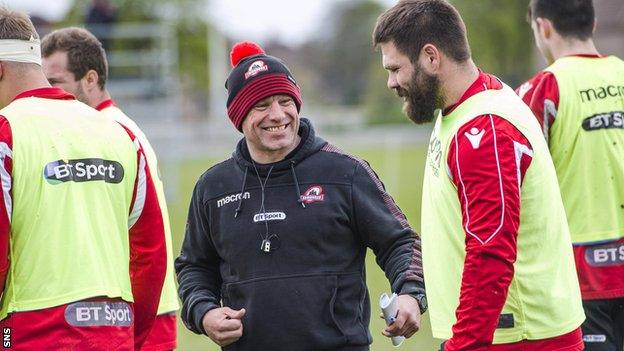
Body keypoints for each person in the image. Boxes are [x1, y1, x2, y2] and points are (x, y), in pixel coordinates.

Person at [175, 41, 425, 351]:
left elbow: (400, 242)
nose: (277, 114)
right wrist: (205, 312)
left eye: (284, 101)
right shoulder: (213, 187)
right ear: (239, 116)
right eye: (262, 105)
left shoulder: (345, 173)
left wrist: (410, 294)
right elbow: (194, 267)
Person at [373, 1, 586, 350]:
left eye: (396, 68)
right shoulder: (469, 107)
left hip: (517, 337)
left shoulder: (483, 131)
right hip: (500, 335)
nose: (391, 82)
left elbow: (490, 254)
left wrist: (464, 345)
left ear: (431, 57)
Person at [0, 8, 166, 351]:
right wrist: (127, 336)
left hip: (30, 333)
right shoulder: (119, 133)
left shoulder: (6, 133)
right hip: (115, 333)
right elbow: (150, 254)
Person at [40, 27, 180, 351]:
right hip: (124, 313)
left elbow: (144, 242)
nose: (45, 93)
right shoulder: (104, 130)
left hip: (142, 314)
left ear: (90, 79)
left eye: (55, 83)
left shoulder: (115, 133)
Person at [517, 0, 624, 349]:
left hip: (579, 281)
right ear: (593, 24)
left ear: (543, 28)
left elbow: (512, 189)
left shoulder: (541, 91)